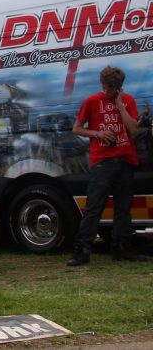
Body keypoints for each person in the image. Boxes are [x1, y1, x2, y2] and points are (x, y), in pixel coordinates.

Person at [67, 66, 149, 265]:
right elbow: (76, 128)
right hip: (103, 162)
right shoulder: (92, 101)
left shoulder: (128, 100)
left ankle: (121, 248)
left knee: (123, 208)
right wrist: (98, 133)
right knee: (94, 207)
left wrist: (120, 105)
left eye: (109, 88)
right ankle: (82, 250)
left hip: (124, 161)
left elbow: (134, 130)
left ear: (118, 87)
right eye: (103, 87)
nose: (105, 91)